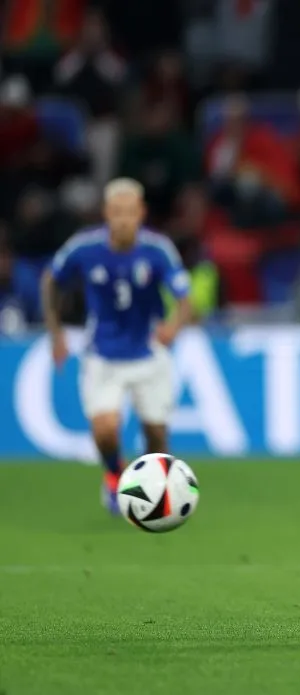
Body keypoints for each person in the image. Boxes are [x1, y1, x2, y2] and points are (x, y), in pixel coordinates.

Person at [41, 178, 192, 514]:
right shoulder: (84, 248)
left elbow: (185, 298)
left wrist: (173, 326)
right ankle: (113, 475)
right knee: (106, 430)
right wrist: (56, 333)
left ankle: (154, 494)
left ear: (141, 213)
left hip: (148, 353)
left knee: (156, 437)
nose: (123, 219)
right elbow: (51, 279)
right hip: (103, 355)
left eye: (130, 212)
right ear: (106, 213)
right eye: (117, 212)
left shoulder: (158, 250)